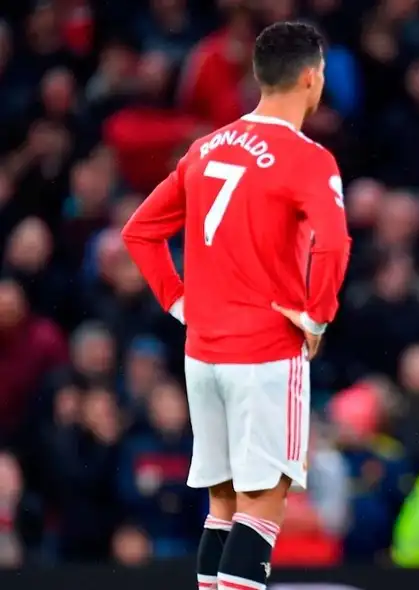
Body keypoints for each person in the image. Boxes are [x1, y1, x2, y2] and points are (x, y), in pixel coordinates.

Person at [121, 22, 351, 590]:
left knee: (222, 507)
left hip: (203, 356)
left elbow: (139, 232)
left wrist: (179, 302)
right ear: (311, 78)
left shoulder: (205, 148)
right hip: (265, 354)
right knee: (262, 507)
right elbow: (334, 243)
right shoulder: (307, 157)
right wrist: (317, 317)